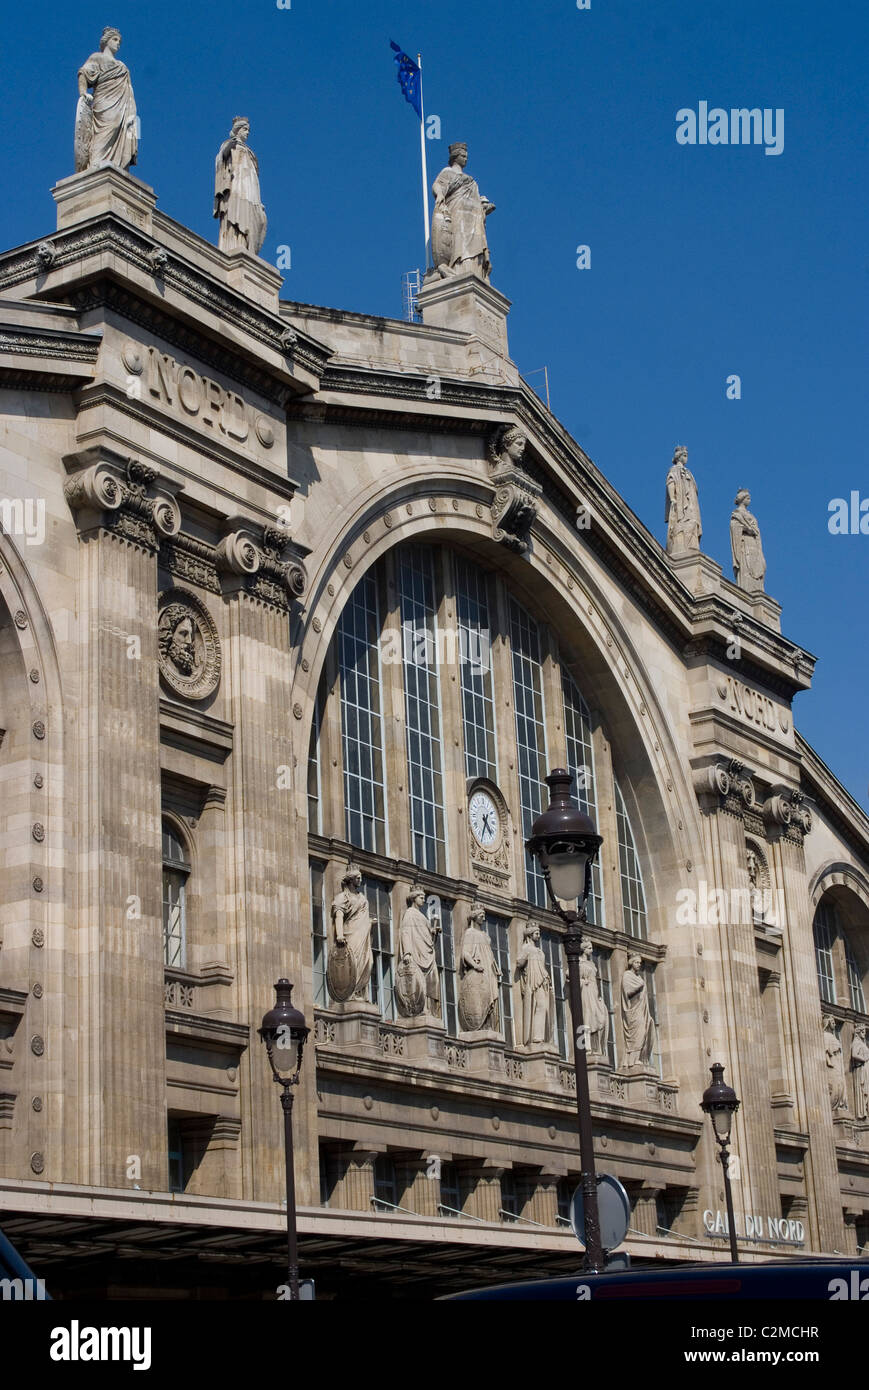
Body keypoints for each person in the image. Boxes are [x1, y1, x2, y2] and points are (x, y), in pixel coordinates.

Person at [76, 27, 138, 172]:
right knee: (105, 130)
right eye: (115, 40)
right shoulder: (97, 57)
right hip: (105, 101)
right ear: (106, 41)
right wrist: (83, 92)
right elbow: (83, 73)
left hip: (123, 104)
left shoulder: (122, 66)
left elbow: (129, 88)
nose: (118, 44)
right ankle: (96, 162)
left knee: (119, 128)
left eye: (119, 41)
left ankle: (119, 163)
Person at [431, 142, 494, 281]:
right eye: (463, 156)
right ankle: (457, 269)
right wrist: (440, 194)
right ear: (456, 156)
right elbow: (437, 185)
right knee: (460, 244)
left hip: (473, 220)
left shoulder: (471, 181)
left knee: (475, 247)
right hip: (457, 213)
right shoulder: (447, 172)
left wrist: (483, 208)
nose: (466, 158)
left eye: (466, 156)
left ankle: (476, 272)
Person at [214, 118, 268, 256]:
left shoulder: (250, 152)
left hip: (250, 188)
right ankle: (235, 243)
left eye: (248, 130)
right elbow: (221, 159)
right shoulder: (230, 144)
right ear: (238, 130)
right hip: (237, 185)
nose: (248, 132)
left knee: (257, 218)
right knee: (237, 210)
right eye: (245, 129)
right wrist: (230, 147)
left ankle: (247, 245)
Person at [328, 865, 373, 1001]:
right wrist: (340, 934)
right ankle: (351, 992)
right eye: (358, 878)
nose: (360, 880)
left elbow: (362, 915)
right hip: (351, 933)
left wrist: (370, 922)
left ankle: (360, 992)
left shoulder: (362, 897)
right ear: (351, 879)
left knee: (368, 962)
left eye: (360, 877)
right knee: (353, 963)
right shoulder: (342, 897)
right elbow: (339, 915)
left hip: (363, 933)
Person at [397, 886, 441, 1017]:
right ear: (414, 898)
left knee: (432, 981)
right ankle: (420, 1008)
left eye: (424, 897)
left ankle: (429, 1009)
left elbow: (427, 936)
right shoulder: (410, 913)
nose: (423, 900)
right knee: (419, 981)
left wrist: (433, 932)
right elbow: (406, 932)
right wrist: (407, 952)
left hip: (426, 952)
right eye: (421, 897)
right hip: (416, 951)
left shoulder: (421, 916)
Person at [458, 904, 501, 1031]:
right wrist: (475, 965)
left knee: (491, 998)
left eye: (484, 915)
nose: (483, 918)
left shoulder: (484, 935)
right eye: (481, 915)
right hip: (480, 971)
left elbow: (490, 954)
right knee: (482, 997)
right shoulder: (470, 933)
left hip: (489, 970)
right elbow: (465, 953)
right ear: (474, 916)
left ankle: (489, 1025)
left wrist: (495, 968)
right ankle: (481, 1025)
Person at [516, 921, 551, 1047]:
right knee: (537, 1006)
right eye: (536, 933)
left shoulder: (540, 951)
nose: (538, 935)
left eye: (539, 933)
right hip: (532, 981)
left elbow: (542, 966)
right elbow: (519, 962)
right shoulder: (527, 949)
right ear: (530, 934)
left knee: (542, 1007)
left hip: (541, 981)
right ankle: (535, 1036)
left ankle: (539, 1035)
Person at [665, 446, 701, 556]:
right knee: (681, 523)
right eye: (684, 456)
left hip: (690, 504)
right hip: (680, 503)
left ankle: (691, 545)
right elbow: (671, 482)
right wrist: (672, 499)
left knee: (692, 522)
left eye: (687, 456)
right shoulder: (674, 470)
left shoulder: (688, 472)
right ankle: (681, 545)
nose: (686, 458)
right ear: (679, 457)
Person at [621, 954, 656, 1067]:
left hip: (642, 1010)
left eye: (640, 963)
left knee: (644, 1032)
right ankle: (632, 1060)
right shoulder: (627, 975)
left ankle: (638, 1058)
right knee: (637, 1033)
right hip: (633, 1010)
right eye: (637, 962)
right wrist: (638, 987)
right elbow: (627, 992)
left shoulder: (639, 978)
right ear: (631, 963)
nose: (639, 965)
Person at [730, 489, 767, 592]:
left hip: (754, 544)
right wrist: (747, 529)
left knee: (758, 566)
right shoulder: (737, 514)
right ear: (742, 499)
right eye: (748, 498)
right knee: (747, 566)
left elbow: (757, 531)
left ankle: (757, 590)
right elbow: (734, 526)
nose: (749, 500)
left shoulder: (751, 515)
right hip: (745, 544)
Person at [579, 937, 609, 1057]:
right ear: (584, 949)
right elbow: (570, 975)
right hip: (585, 991)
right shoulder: (579, 962)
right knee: (587, 1017)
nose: (592, 950)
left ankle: (596, 1046)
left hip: (594, 991)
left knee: (598, 1017)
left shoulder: (591, 963)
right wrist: (582, 982)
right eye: (590, 948)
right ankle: (586, 1045)